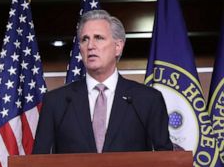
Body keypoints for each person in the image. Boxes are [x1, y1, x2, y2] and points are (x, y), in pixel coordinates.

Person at [32, 9, 172, 154]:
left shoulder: (147, 99)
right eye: (84, 39)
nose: (90, 45)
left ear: (118, 46)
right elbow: (38, 162)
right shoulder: (56, 102)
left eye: (98, 37)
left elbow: (166, 160)